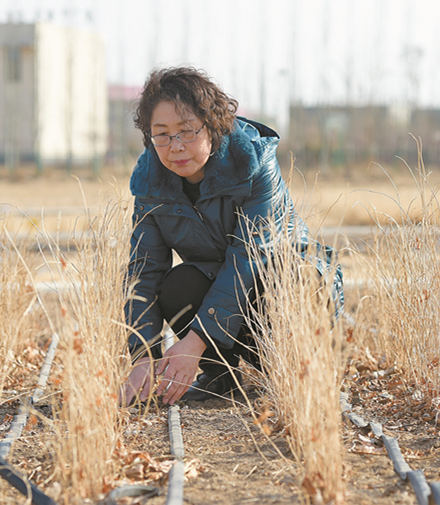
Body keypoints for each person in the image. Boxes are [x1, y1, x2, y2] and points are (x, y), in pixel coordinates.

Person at [121, 67, 343, 407]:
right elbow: (144, 270)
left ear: (212, 126)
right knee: (176, 284)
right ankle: (221, 378)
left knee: (294, 280)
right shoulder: (151, 182)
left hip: (286, 283)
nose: (175, 147)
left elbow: (250, 258)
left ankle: (300, 369)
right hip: (221, 295)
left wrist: (194, 343)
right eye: (161, 134)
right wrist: (144, 356)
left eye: (187, 131)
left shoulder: (251, 162)